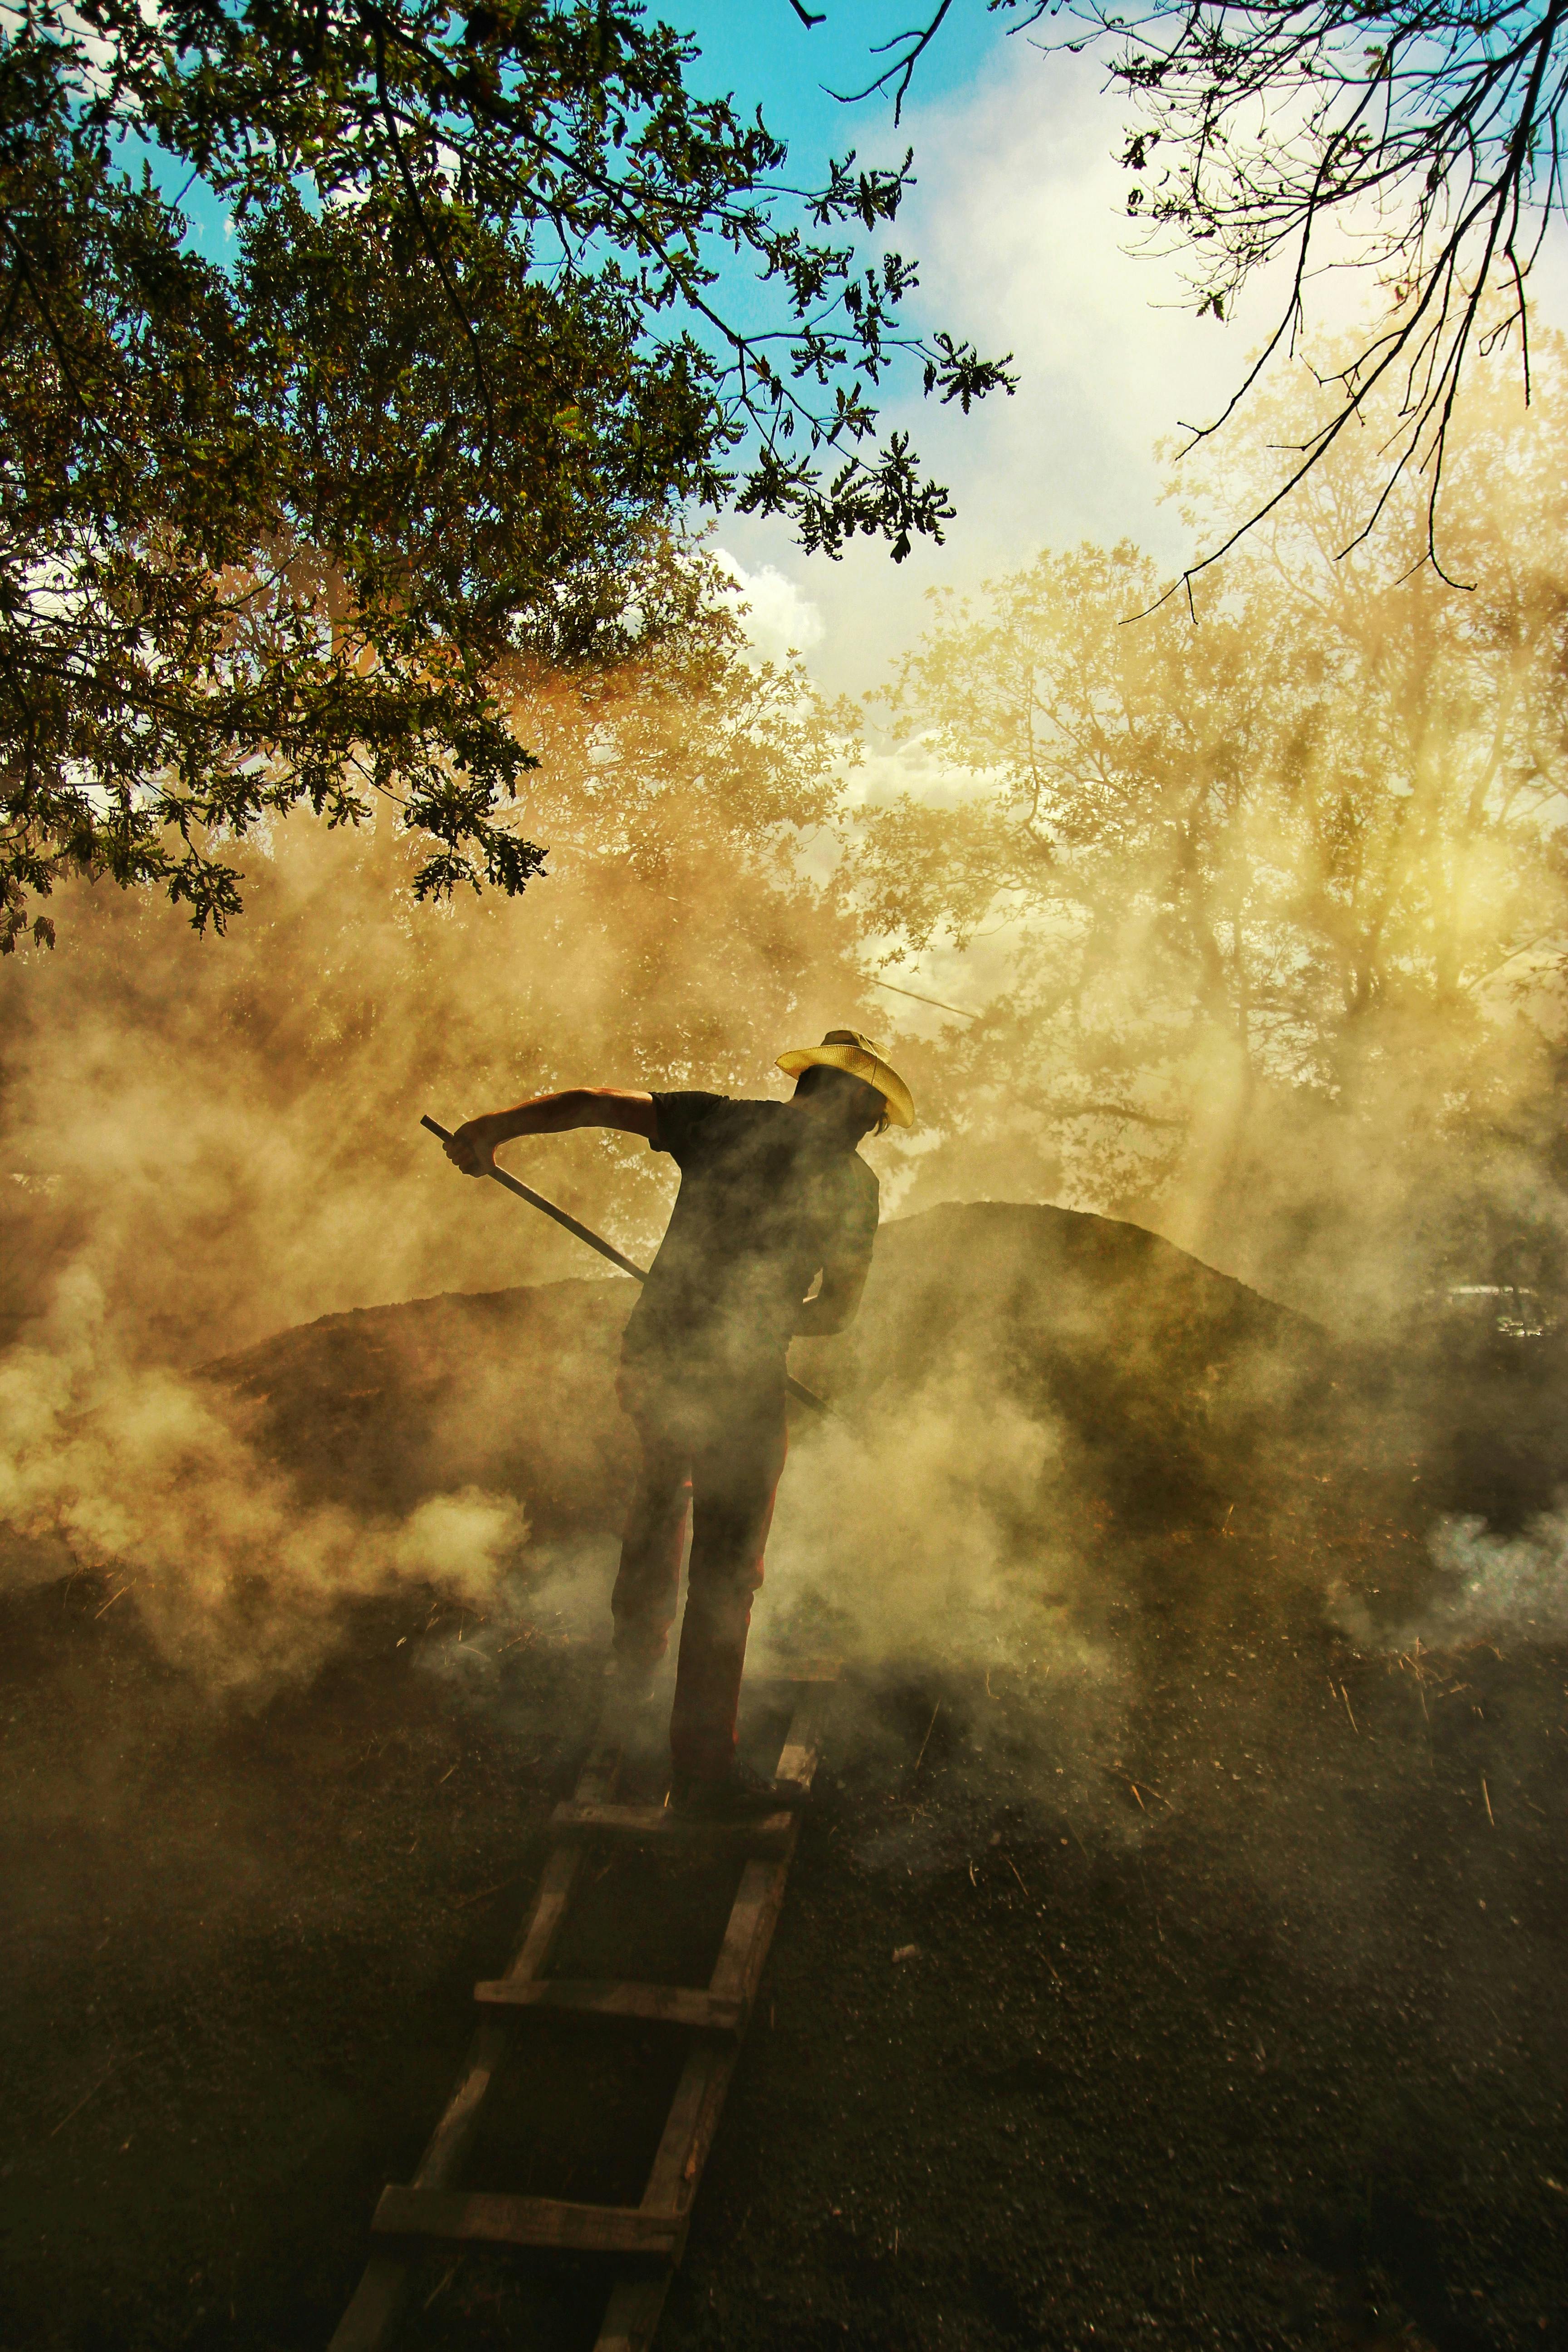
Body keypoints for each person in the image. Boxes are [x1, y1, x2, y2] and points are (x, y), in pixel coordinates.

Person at [443, 1029, 915, 1814]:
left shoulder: (720, 1121)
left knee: (660, 1510)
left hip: (656, 1359)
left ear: (805, 1090)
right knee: (727, 1576)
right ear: (854, 1112)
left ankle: (628, 1722)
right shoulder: (853, 1188)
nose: (867, 1133)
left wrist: (491, 1128)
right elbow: (838, 1312)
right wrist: (770, 1319)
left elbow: (592, 1102)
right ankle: (702, 1773)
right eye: (870, 1121)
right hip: (740, 1385)